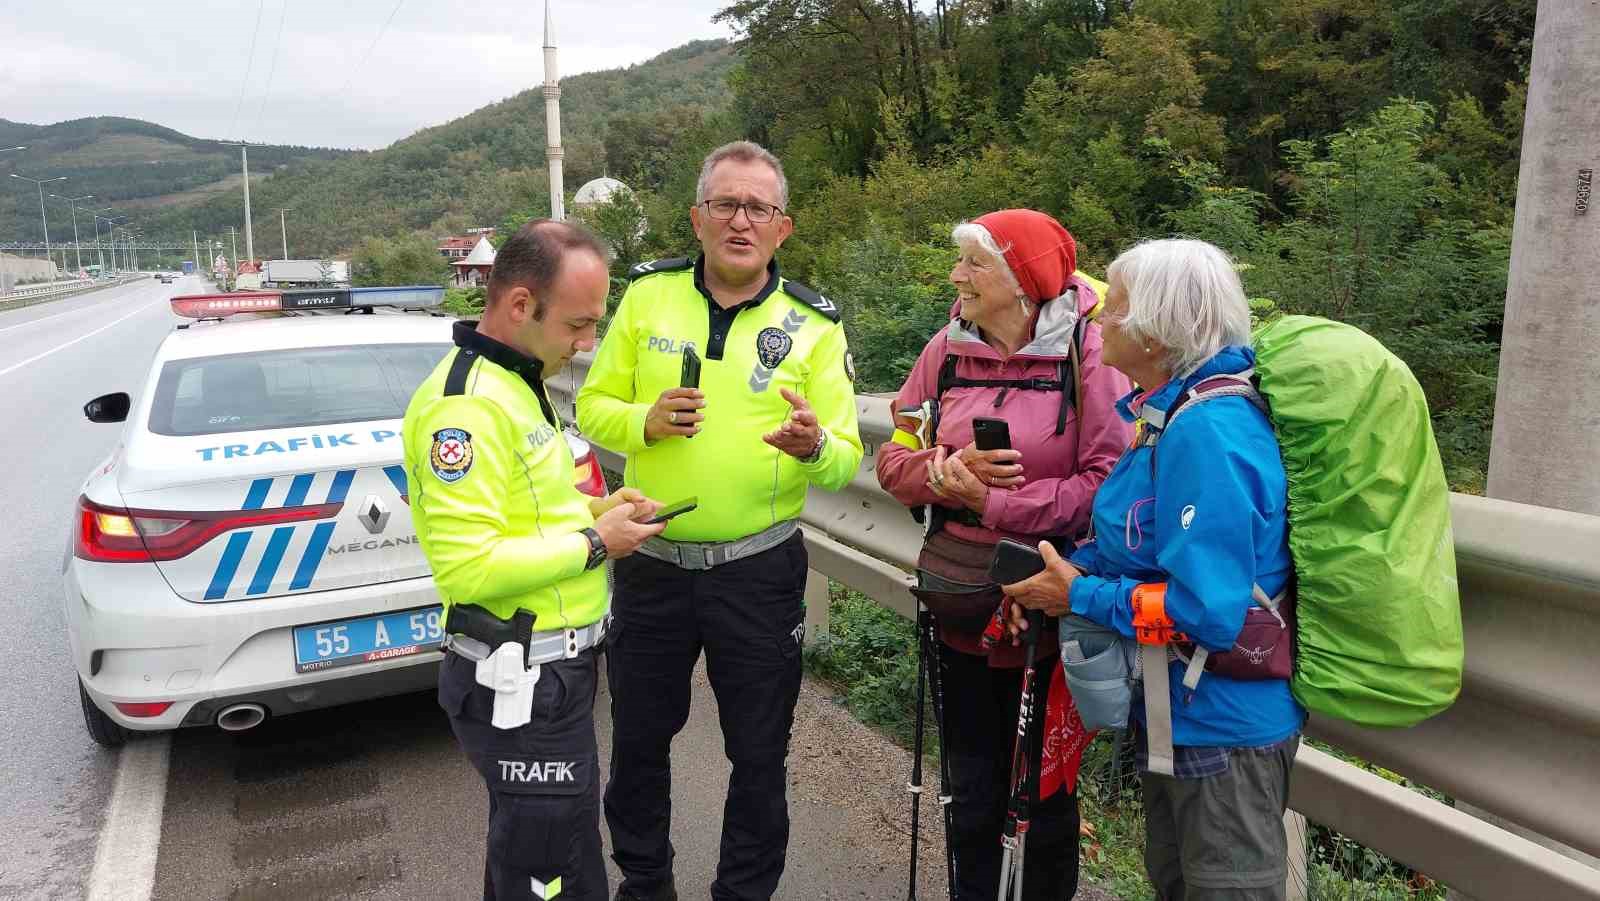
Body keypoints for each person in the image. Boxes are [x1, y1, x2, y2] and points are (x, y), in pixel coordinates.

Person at [576, 140, 864, 901]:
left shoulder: (813, 322)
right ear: (697, 218)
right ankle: (644, 881)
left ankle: (743, 891)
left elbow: (844, 458)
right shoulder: (647, 296)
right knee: (639, 740)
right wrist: (644, 419)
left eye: (758, 208)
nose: (742, 221)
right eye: (726, 205)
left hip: (759, 571)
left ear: (783, 227)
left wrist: (814, 445)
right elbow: (590, 405)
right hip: (651, 560)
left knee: (760, 752)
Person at [1002, 238, 1305, 901]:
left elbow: (1208, 612)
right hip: (1179, 716)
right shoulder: (1166, 414)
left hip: (1224, 726)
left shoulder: (1208, 428)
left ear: (1161, 326)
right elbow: (1134, 540)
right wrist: (1058, 581)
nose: (1098, 317)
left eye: (1114, 305)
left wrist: (1083, 593)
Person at [404, 219, 668, 901]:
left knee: (535, 859)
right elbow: (470, 569)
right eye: (579, 325)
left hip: (551, 673)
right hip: (519, 681)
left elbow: (531, 516)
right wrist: (594, 545)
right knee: (555, 875)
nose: (587, 343)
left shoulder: (520, 379)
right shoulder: (464, 408)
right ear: (520, 305)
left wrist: (594, 516)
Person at [875, 209, 1131, 900]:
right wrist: (942, 469)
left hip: (1047, 601)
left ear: (1021, 279)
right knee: (970, 784)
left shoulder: (1092, 350)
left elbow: (1106, 486)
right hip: (960, 597)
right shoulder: (947, 349)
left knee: (1042, 796)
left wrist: (995, 505)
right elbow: (892, 456)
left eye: (973, 264)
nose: (956, 275)